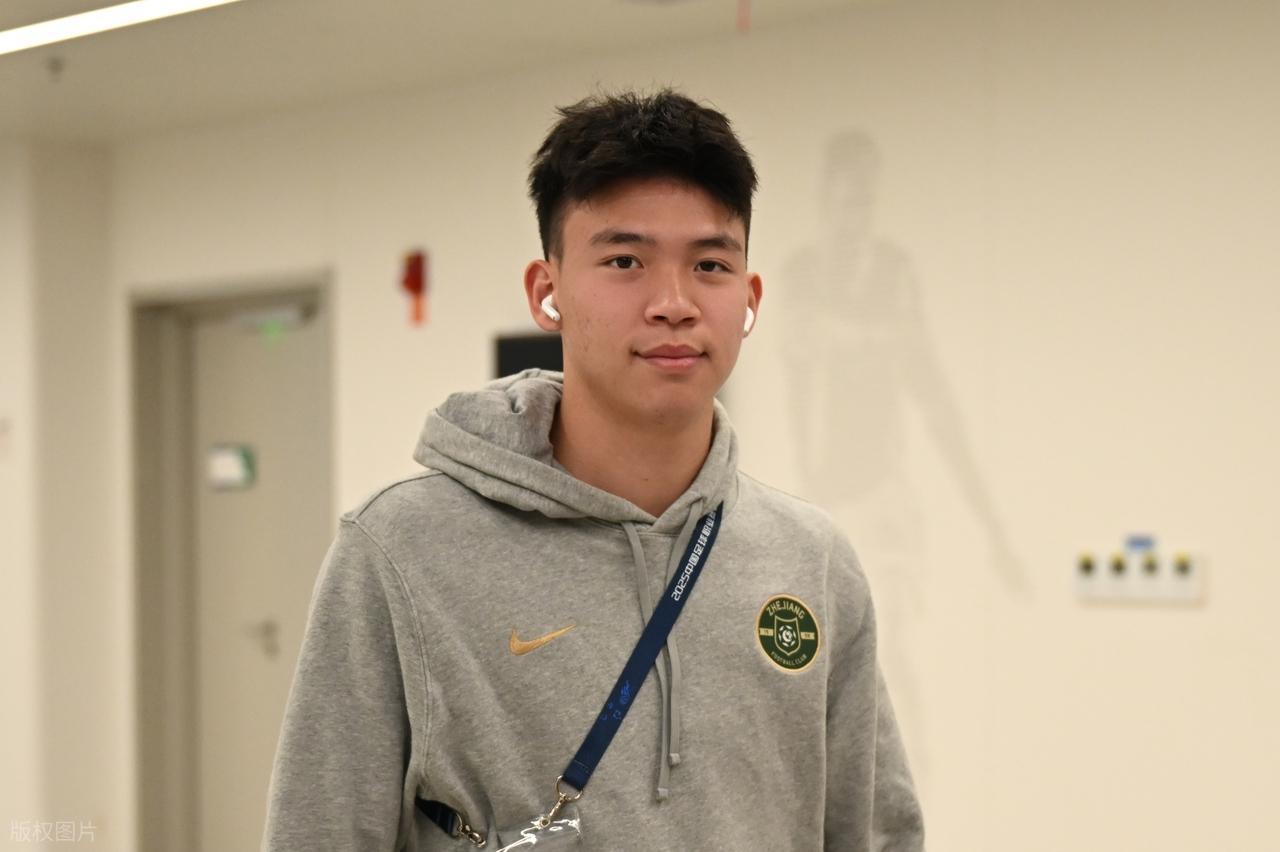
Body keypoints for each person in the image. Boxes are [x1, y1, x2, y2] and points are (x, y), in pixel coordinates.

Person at [262, 88, 924, 851]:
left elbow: (876, 834)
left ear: (749, 299)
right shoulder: (401, 549)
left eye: (710, 264)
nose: (673, 303)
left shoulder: (811, 560)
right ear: (547, 293)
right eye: (625, 261)